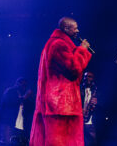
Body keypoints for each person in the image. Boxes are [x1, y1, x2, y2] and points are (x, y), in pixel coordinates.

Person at [30, 17, 92, 146]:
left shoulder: (55, 43)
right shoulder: (59, 44)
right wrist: (82, 50)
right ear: (66, 28)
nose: (77, 30)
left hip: (56, 103)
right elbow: (73, 68)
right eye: (75, 28)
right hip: (61, 105)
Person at [0, 77, 34, 146]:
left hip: (19, 124)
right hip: (8, 121)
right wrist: (25, 97)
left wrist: (30, 98)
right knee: (7, 141)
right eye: (23, 85)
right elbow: (10, 103)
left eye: (25, 86)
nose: (24, 87)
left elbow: (30, 107)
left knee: (16, 142)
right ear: (18, 83)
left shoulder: (23, 93)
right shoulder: (10, 91)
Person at [80, 72, 97, 146]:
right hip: (79, 120)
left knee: (91, 143)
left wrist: (97, 103)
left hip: (90, 121)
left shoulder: (96, 91)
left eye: (89, 77)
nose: (87, 78)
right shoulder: (79, 89)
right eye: (85, 77)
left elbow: (104, 105)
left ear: (93, 79)